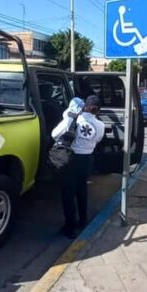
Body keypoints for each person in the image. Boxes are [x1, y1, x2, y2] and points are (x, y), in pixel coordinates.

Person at [52, 95, 105, 238]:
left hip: (71, 159)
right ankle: (83, 220)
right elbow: (98, 140)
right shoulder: (101, 125)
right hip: (87, 160)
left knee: (68, 194)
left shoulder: (74, 119)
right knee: (82, 189)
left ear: (84, 107)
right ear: (98, 110)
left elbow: (55, 134)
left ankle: (69, 228)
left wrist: (68, 117)